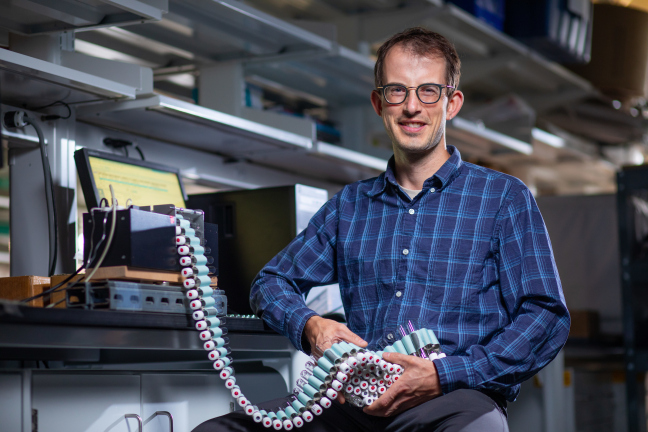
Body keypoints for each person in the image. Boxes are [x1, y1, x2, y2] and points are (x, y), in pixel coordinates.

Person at [194, 27, 570, 432]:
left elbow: (545, 316)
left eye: (428, 91)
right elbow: (271, 283)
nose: (412, 106)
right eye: (396, 91)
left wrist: (445, 375)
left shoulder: (503, 198)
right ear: (378, 102)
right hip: (356, 401)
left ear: (452, 102)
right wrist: (310, 326)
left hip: (452, 399)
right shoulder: (348, 206)